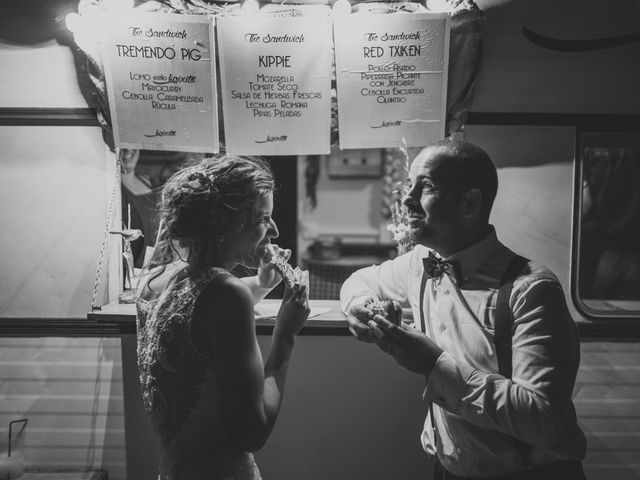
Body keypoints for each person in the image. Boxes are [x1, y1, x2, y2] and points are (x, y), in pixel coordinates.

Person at [340, 139, 587, 479]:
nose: (408, 199)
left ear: (470, 203)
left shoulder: (533, 290)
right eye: (409, 186)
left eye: (424, 187)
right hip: (446, 468)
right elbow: (360, 279)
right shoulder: (419, 264)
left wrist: (434, 364)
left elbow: (543, 421)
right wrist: (359, 307)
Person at [136, 155, 310, 480]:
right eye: (262, 218)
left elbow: (198, 324)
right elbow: (253, 434)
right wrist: (286, 334)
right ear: (225, 224)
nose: (273, 229)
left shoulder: (153, 282)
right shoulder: (227, 295)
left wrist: (259, 284)